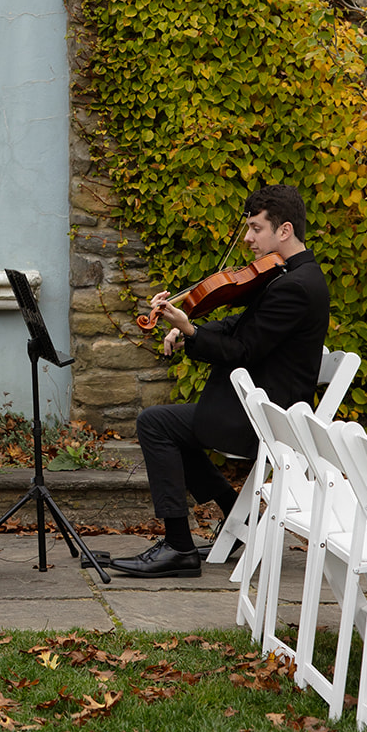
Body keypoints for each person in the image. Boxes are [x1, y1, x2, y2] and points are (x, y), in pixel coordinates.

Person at [111, 184, 330, 579]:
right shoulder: (287, 274)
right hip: (261, 409)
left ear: (283, 230)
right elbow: (240, 325)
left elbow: (243, 350)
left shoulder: (296, 287)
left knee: (155, 424)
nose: (247, 239)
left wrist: (193, 333)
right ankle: (237, 518)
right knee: (169, 426)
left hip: (268, 420)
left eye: (255, 229)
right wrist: (187, 328)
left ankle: (179, 547)